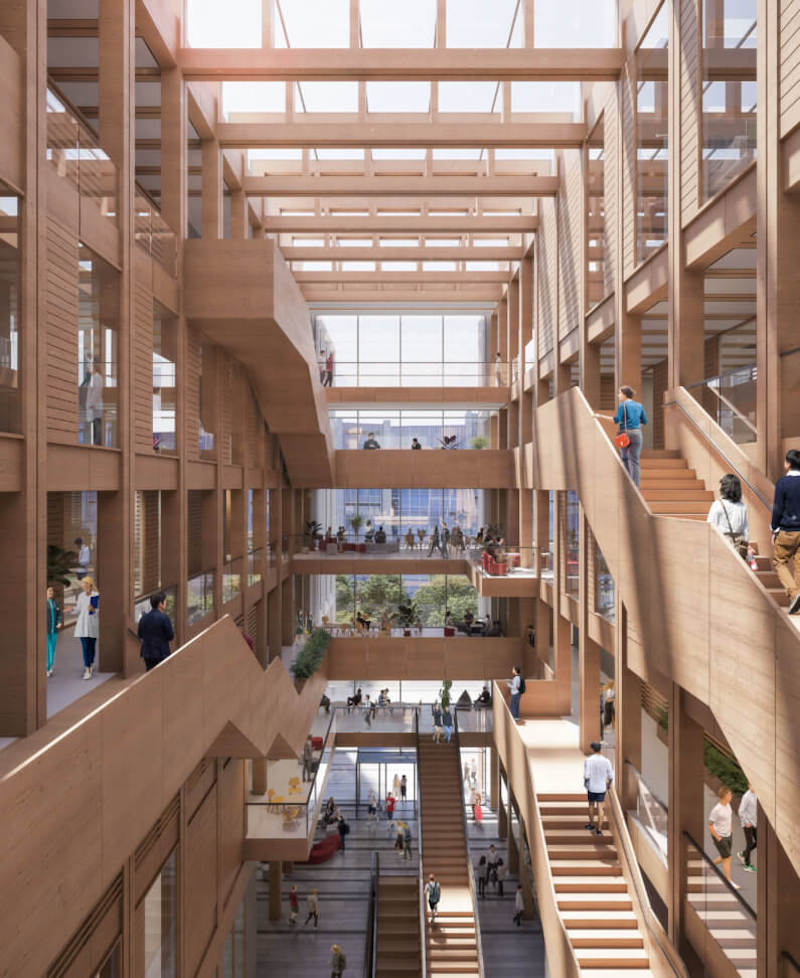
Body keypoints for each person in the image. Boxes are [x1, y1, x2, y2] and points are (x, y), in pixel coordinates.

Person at [771, 448, 800, 614]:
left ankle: (794, 593)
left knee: (779, 561)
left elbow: (778, 508)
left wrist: (774, 528)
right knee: (799, 565)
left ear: (788, 464)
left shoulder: (782, 483)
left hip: (788, 530)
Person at [612, 385, 648, 488]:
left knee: (624, 458)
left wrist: (600, 416)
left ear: (624, 394)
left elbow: (616, 420)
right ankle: (636, 486)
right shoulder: (639, 406)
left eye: (619, 393)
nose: (618, 395)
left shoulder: (622, 405)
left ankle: (627, 483)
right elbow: (644, 421)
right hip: (637, 434)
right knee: (635, 461)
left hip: (625, 434)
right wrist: (636, 427)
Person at [707, 473, 749, 558]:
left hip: (723, 542)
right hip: (739, 545)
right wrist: (746, 543)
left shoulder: (717, 504)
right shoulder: (742, 506)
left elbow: (710, 525)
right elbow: (745, 529)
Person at [137, 591, 174, 672]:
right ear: (160, 604)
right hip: (162, 652)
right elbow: (170, 636)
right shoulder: (164, 618)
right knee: (162, 675)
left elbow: (140, 635)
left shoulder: (143, 618)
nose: (165, 603)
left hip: (147, 653)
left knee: (149, 675)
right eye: (165, 602)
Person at [709, 786, 738, 886]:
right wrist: (718, 838)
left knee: (724, 856)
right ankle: (728, 881)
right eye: (730, 794)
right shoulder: (716, 810)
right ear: (724, 796)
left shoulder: (728, 805)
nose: (731, 796)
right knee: (727, 858)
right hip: (720, 836)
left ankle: (710, 865)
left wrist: (731, 830)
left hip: (728, 835)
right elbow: (710, 825)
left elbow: (729, 818)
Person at [583, 741, 614, 836]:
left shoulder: (588, 760)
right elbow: (611, 776)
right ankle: (599, 830)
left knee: (591, 805)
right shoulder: (606, 761)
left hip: (592, 787)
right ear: (600, 749)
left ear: (592, 749)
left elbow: (587, 775)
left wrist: (585, 783)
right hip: (602, 787)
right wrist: (608, 785)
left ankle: (591, 824)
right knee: (601, 807)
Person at [74, 575, 100, 680]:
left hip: (92, 624)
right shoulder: (80, 596)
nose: (83, 585)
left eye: (85, 583)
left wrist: (94, 610)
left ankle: (90, 663)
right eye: (82, 583)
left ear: (89, 585)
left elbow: (99, 611)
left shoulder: (96, 595)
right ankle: (87, 668)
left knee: (92, 646)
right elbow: (78, 609)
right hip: (82, 625)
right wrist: (70, 609)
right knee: (85, 647)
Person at [737, 783, 757, 872]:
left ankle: (744, 854)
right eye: (752, 785)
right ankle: (747, 865)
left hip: (755, 823)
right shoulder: (746, 796)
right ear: (749, 785)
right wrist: (746, 822)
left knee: (758, 841)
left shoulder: (756, 794)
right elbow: (740, 811)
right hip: (747, 824)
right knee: (749, 843)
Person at [45, 586, 62, 678]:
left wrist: (59, 622)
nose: (51, 592)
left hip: (54, 630)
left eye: (52, 591)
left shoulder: (55, 603)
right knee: (49, 649)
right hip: (46, 630)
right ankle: (47, 668)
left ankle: (49, 666)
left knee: (53, 649)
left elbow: (59, 614)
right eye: (49, 591)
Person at [85, 362, 104, 445]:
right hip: (94, 404)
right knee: (96, 422)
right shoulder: (94, 377)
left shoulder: (97, 377)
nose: (89, 369)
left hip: (95, 405)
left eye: (90, 368)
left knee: (97, 422)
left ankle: (97, 442)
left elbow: (96, 391)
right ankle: (96, 441)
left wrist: (92, 403)